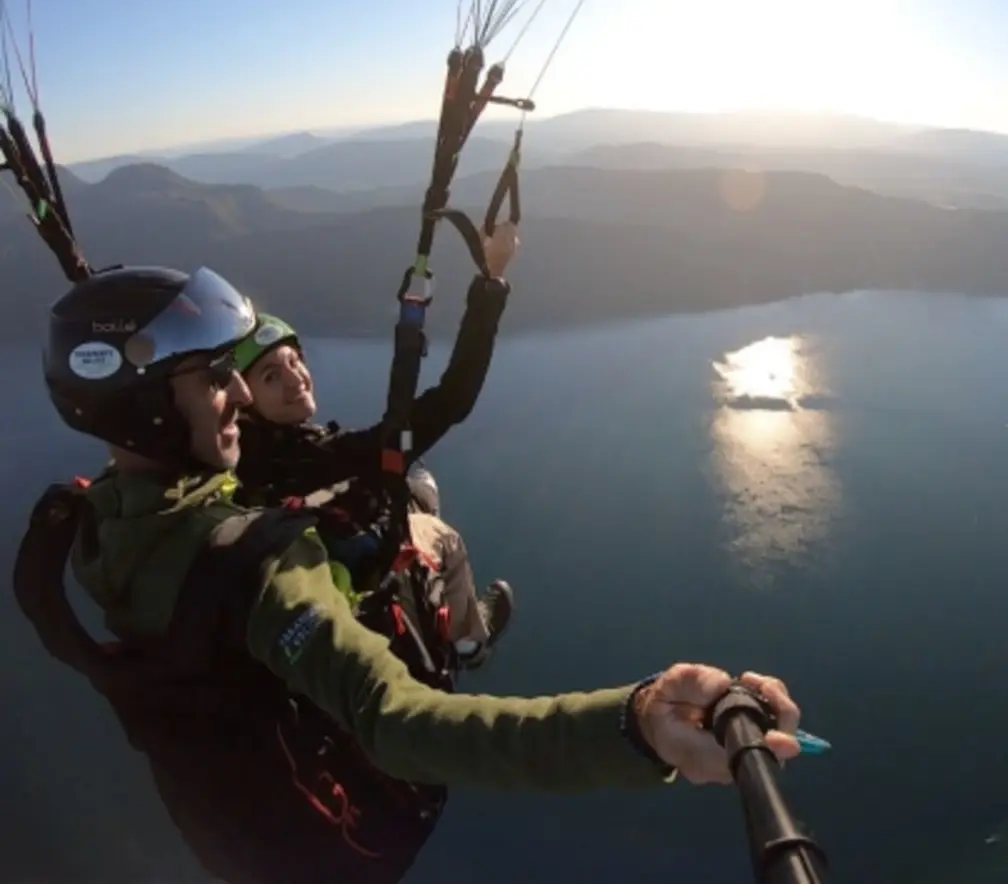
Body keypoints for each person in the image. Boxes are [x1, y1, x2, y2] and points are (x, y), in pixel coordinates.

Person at [17, 262, 803, 884]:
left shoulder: (90, 528)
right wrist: (633, 726)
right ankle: (464, 640)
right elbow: (401, 725)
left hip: (228, 835)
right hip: (333, 840)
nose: (234, 399)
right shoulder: (260, 567)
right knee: (426, 531)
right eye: (213, 380)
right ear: (147, 410)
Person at [229, 222, 521, 669]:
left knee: (410, 467)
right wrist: (492, 281)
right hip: (357, 565)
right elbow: (452, 400)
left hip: (305, 555)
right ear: (244, 399)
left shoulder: (232, 452)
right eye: (271, 376)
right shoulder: (324, 455)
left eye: (293, 361)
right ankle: (468, 640)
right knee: (439, 527)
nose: (295, 379)